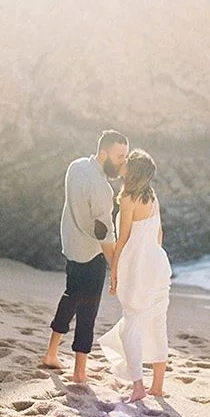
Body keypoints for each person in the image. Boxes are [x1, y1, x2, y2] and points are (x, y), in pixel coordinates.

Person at [42, 130, 129, 383]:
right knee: (88, 312)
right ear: (103, 154)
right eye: (119, 157)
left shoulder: (76, 166)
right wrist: (115, 269)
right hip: (91, 256)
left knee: (70, 297)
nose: (123, 162)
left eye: (125, 157)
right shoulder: (102, 188)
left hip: (71, 247)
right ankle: (79, 372)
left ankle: (51, 353)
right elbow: (103, 233)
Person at [98, 148, 172, 402]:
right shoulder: (153, 197)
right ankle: (157, 386)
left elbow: (122, 239)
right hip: (158, 265)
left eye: (128, 162)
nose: (124, 164)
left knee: (131, 325)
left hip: (137, 267)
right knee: (157, 323)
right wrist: (154, 260)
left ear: (134, 171)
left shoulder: (128, 199)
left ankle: (138, 386)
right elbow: (159, 233)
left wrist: (115, 271)